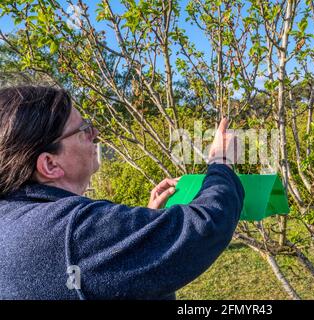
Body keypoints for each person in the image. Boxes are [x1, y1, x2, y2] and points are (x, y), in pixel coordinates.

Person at [0, 85, 244, 300]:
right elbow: (204, 228)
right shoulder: (73, 230)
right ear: (50, 164)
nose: (95, 134)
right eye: (83, 130)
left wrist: (144, 226)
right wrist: (221, 162)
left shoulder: (12, 216)